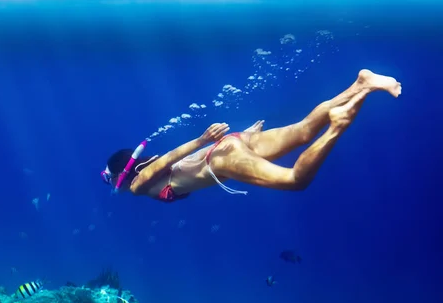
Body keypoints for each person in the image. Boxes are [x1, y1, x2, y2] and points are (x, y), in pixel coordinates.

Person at [101, 69, 401, 202]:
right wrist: (242, 137)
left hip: (223, 157)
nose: (115, 185)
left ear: (122, 175)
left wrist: (203, 139)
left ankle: (337, 125)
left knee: (296, 181)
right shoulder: (147, 178)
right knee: (304, 129)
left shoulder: (139, 186)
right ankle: (363, 84)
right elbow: (175, 162)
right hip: (231, 144)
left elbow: (166, 160)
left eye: (111, 179)